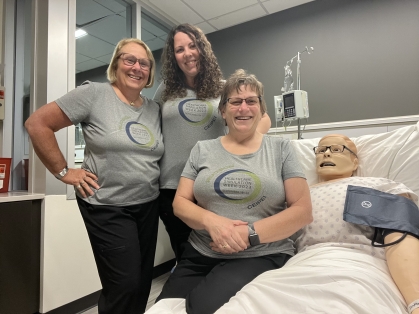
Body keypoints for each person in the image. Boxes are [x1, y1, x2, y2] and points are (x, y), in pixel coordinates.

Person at [152, 69, 312, 314]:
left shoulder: (281, 149)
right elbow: (180, 203)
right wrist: (215, 224)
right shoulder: (202, 149)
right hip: (202, 251)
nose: (243, 108)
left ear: (261, 109)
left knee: (202, 306)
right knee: (161, 307)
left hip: (262, 252)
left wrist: (247, 235)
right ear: (223, 111)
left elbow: (302, 211)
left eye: (251, 101)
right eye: (235, 102)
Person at [25, 38, 163, 314]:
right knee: (124, 284)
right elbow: (38, 123)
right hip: (107, 204)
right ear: (116, 64)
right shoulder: (94, 94)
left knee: (141, 283)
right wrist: (64, 171)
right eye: (129, 60)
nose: (137, 67)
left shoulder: (153, 108)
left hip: (148, 204)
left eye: (144, 63)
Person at [214, 133, 419, 314]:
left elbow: (401, 239)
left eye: (336, 149)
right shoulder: (297, 199)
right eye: (321, 150)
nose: (326, 154)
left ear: (355, 162)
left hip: (358, 267)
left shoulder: (380, 186)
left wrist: (415, 303)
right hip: (295, 269)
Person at [154, 23, 272, 262]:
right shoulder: (165, 90)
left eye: (192, 45)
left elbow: (264, 117)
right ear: (173, 56)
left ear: (202, 49)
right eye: (179, 49)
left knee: (219, 249)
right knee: (185, 254)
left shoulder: (222, 87)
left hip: (214, 185)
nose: (187, 53)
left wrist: (241, 145)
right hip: (172, 187)